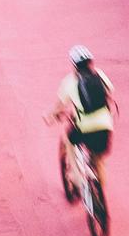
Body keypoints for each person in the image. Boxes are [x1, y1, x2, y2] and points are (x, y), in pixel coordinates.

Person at [48, 45, 115, 193]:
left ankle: (77, 177)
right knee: (98, 160)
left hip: (85, 127)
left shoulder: (70, 81)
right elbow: (109, 91)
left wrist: (51, 116)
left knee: (68, 140)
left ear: (74, 65)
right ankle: (99, 200)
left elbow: (59, 106)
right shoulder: (100, 75)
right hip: (105, 125)